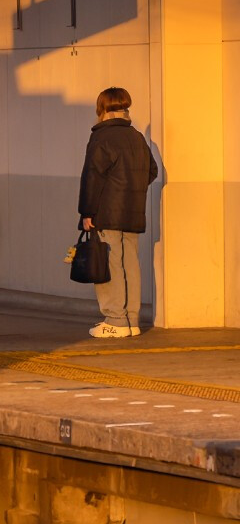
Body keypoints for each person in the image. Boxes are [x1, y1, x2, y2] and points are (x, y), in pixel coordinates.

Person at [78, 86, 158, 339]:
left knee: (109, 264)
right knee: (130, 264)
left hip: (107, 213)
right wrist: (131, 191)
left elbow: (92, 177)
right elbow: (152, 171)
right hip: (133, 213)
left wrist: (87, 212)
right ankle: (132, 320)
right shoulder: (136, 137)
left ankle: (115, 319)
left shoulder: (101, 137)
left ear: (102, 109)